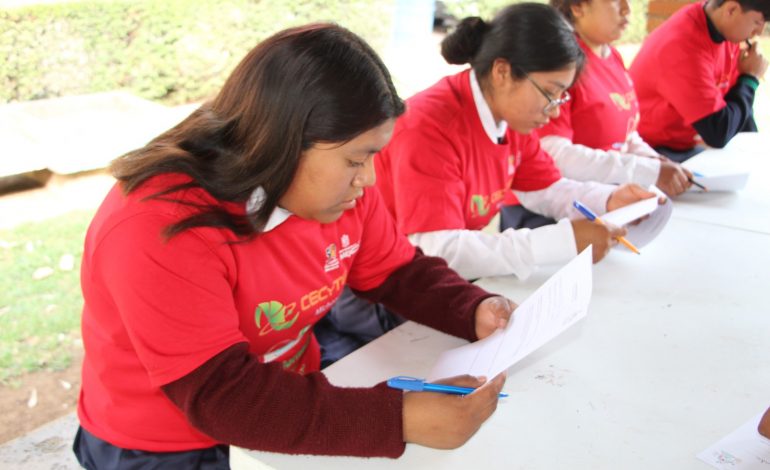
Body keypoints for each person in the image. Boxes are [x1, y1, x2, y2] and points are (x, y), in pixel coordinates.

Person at [73, 24, 514, 468]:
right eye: (355, 160)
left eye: (373, 156)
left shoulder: (340, 192)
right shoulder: (158, 226)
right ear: (285, 142)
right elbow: (221, 395)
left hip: (282, 402)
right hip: (163, 443)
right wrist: (398, 418)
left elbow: (396, 270)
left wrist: (470, 307)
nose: (369, 179)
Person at [317, 3, 661, 365]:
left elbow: (544, 187)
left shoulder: (510, 117)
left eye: (562, 96)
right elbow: (435, 246)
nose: (556, 110)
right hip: (380, 292)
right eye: (550, 92)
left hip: (438, 279)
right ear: (502, 71)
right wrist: (559, 241)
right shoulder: (431, 126)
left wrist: (609, 200)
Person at [541, 0, 692, 197]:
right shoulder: (560, 64)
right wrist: (643, 170)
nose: (626, 9)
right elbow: (555, 155)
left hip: (610, 191)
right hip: (561, 201)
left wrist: (653, 160)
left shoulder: (612, 55)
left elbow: (625, 136)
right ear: (577, 7)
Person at [629, 0, 769, 162]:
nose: (759, 32)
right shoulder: (683, 48)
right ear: (731, 10)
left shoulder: (723, 28)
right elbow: (718, 133)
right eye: (758, 22)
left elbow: (736, 106)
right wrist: (750, 78)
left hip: (691, 142)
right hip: (652, 150)